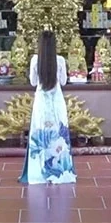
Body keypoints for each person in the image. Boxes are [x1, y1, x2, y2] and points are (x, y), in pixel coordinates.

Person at [19, 30, 77, 185]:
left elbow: (32, 82)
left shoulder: (35, 60)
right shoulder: (60, 60)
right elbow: (64, 82)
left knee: (41, 133)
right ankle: (59, 171)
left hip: (41, 101)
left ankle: (38, 172)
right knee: (58, 134)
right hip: (56, 99)